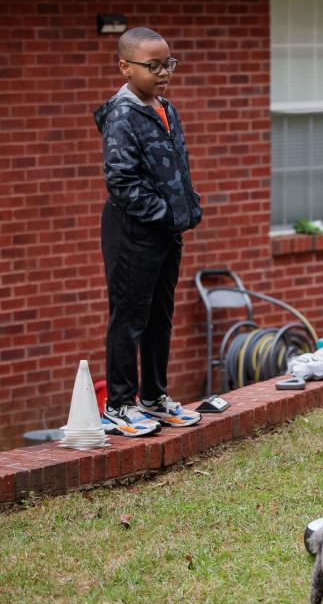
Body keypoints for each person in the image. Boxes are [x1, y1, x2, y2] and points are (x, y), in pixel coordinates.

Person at [94, 27, 203, 436]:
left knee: (160, 316)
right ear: (125, 67)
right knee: (129, 318)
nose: (163, 72)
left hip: (164, 232)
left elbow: (174, 168)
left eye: (168, 64)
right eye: (152, 65)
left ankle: (154, 397)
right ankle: (120, 405)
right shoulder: (122, 115)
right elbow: (121, 183)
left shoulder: (165, 108)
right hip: (131, 232)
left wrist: (187, 206)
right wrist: (169, 214)